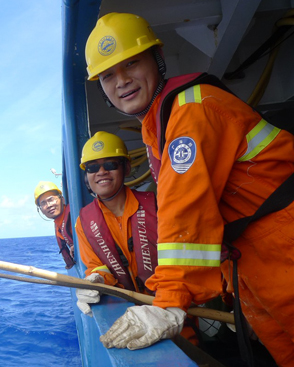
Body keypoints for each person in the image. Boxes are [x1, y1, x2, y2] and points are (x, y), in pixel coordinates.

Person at [84, 12, 294, 366]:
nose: (121, 81)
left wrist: (168, 304)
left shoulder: (190, 111)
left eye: (131, 63)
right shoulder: (158, 128)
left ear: (158, 58)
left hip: (282, 251)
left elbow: (187, 210)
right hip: (253, 265)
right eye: (107, 76)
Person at [74, 131, 158, 317]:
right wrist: (97, 280)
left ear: (126, 168)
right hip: (126, 314)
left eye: (111, 164)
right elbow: (96, 266)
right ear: (87, 175)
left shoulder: (158, 206)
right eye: (92, 167)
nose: (101, 172)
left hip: (171, 308)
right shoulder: (84, 223)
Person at [34, 181, 75, 269]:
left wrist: (80, 246)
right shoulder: (58, 224)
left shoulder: (74, 216)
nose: (48, 205)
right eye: (43, 203)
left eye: (51, 199)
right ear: (40, 210)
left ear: (62, 199)